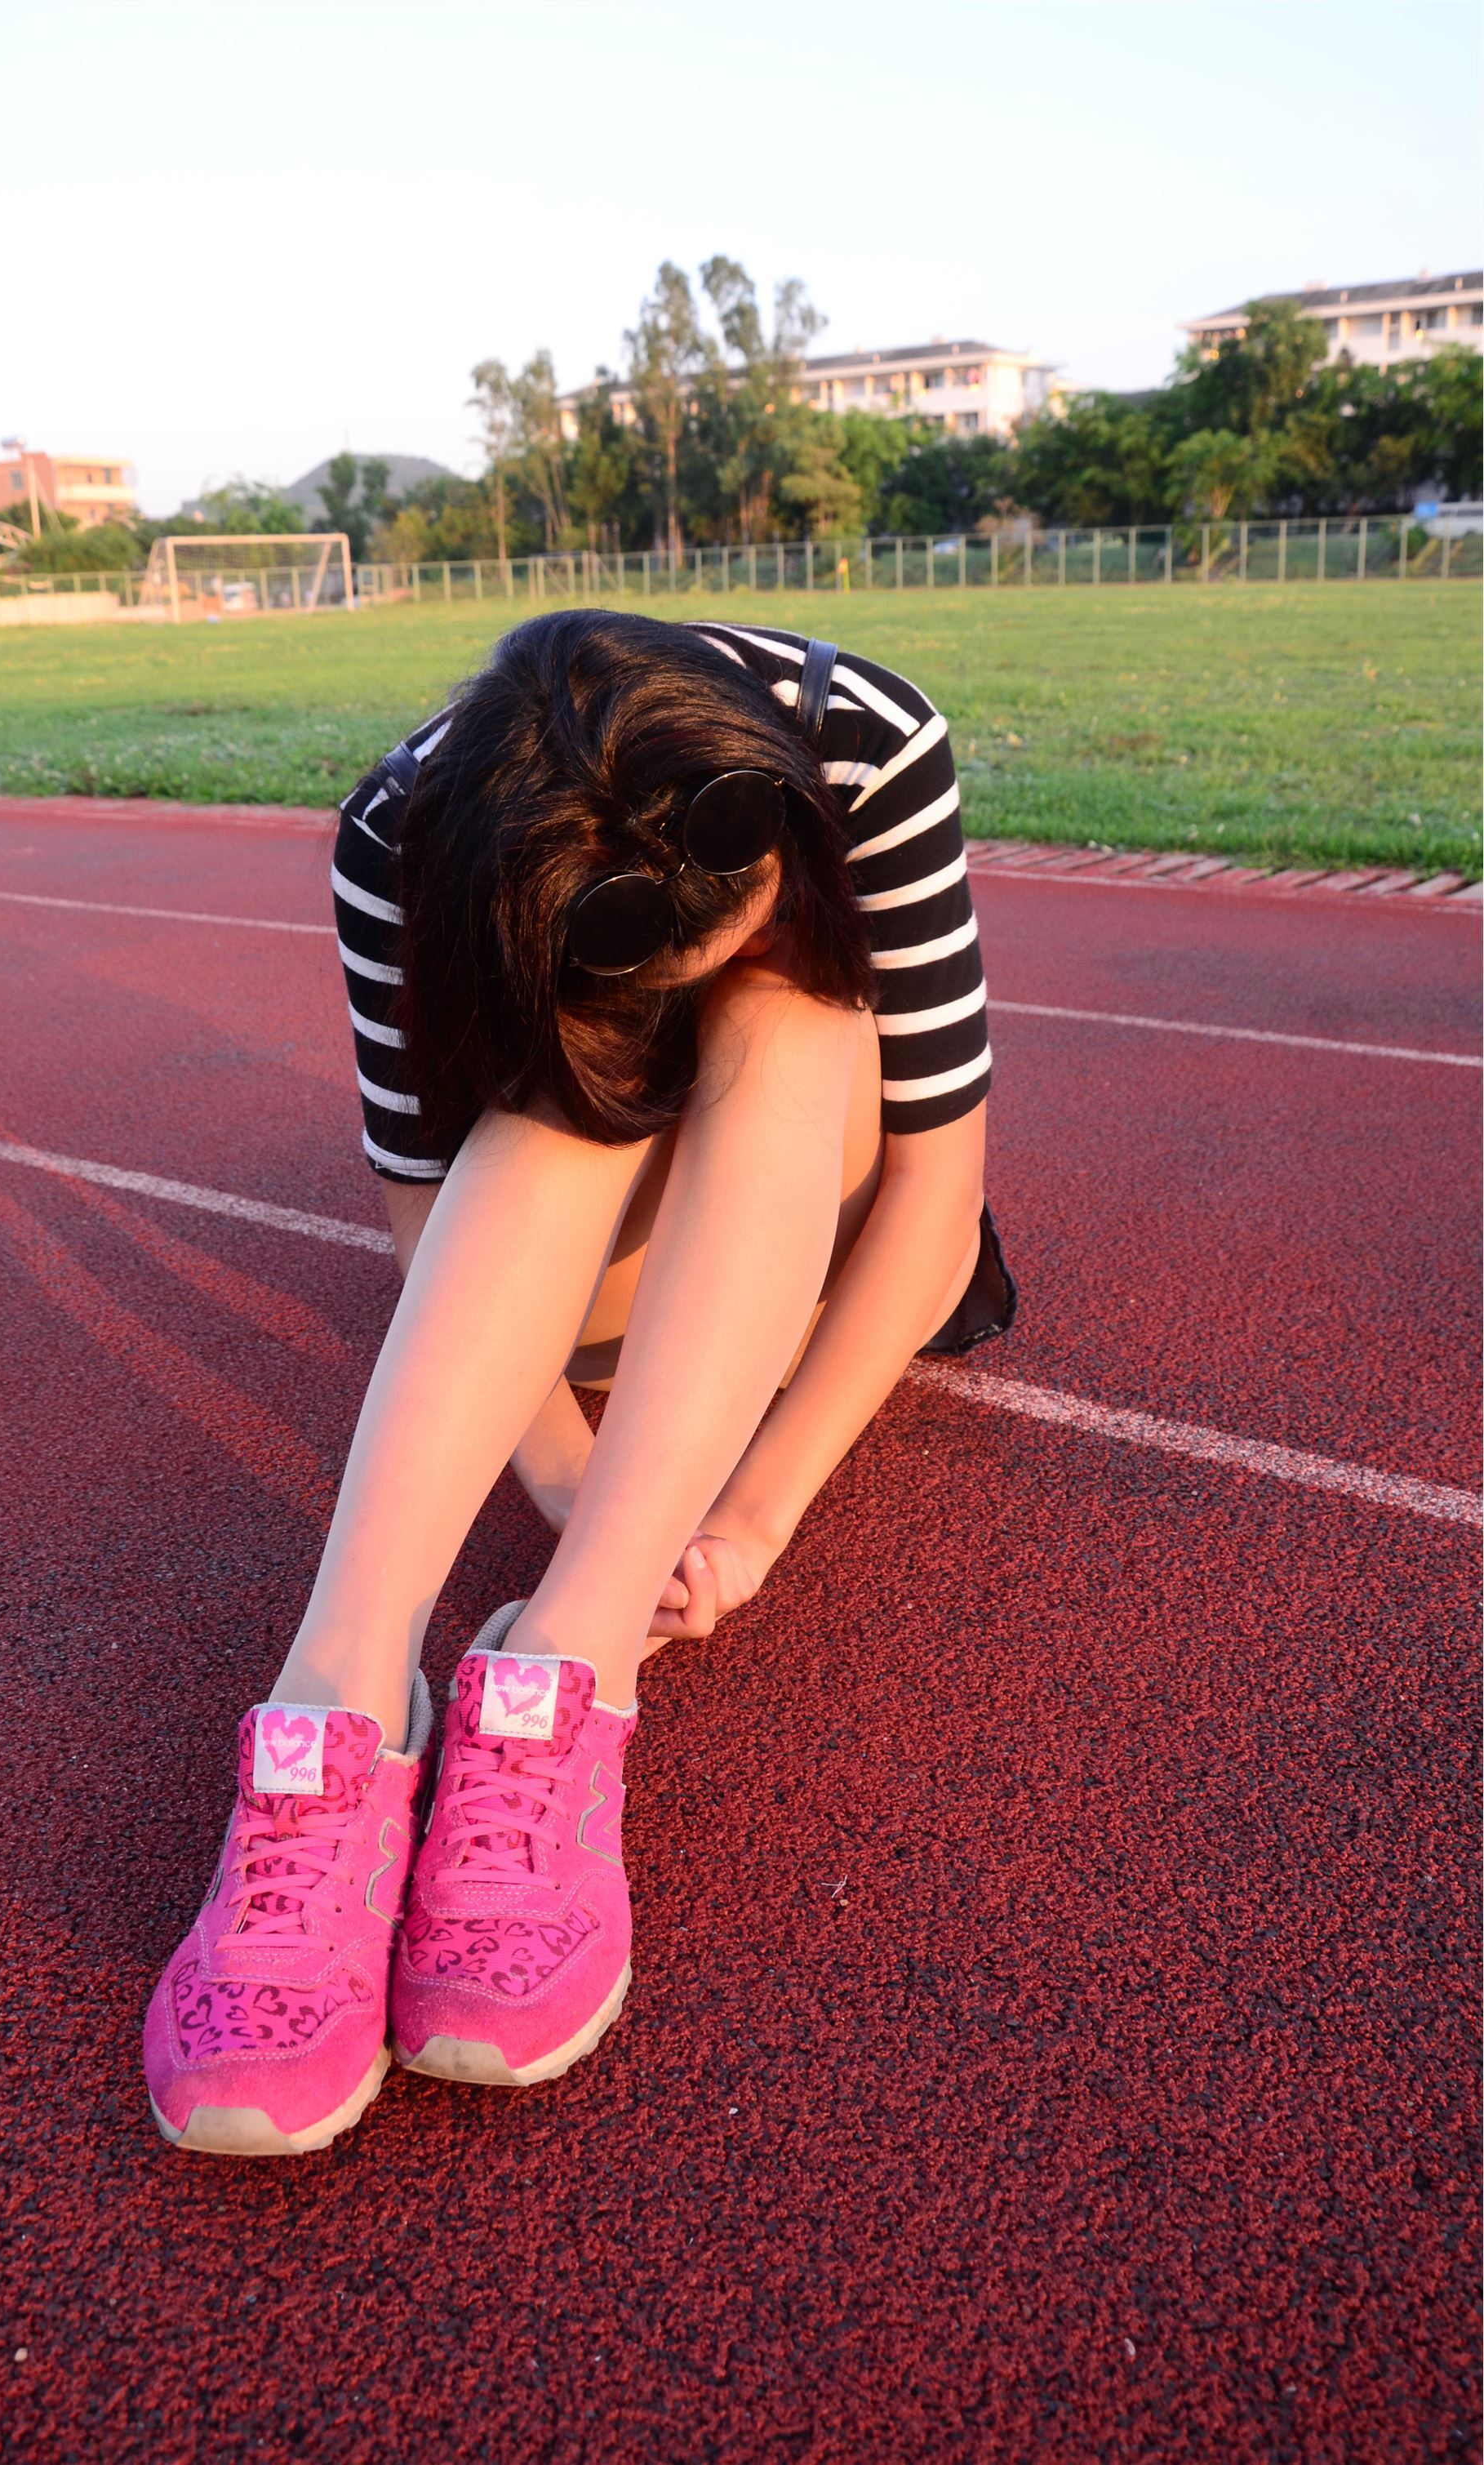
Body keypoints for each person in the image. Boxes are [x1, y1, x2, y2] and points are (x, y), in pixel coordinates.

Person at [143, 609, 1014, 2154]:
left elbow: (939, 1210)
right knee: (575, 1091)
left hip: (825, 1224)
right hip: (583, 1273)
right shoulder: (404, 835)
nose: (717, 948)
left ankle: (573, 1660)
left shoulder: (863, 743)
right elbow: (428, 1222)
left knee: (785, 1009)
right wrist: (567, 1476)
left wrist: (745, 1520)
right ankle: (335, 1698)